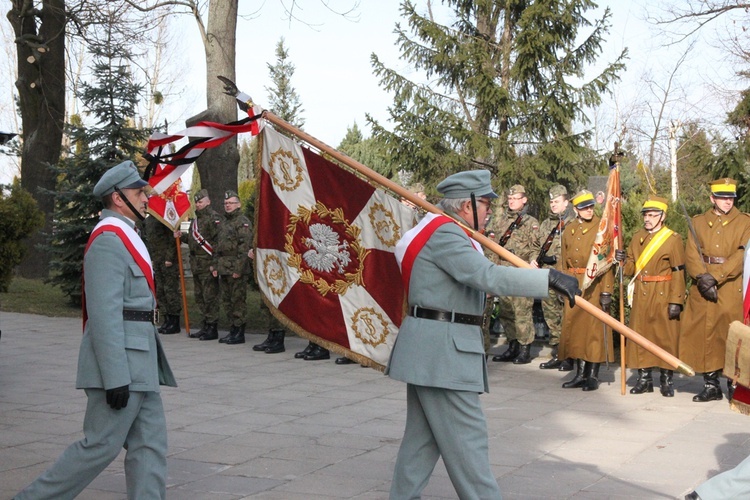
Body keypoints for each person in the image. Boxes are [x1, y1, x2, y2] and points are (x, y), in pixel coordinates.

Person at [386, 169, 581, 499]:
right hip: (443, 353)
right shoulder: (446, 234)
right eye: (487, 203)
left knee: (420, 445)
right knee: (468, 444)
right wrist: (546, 279)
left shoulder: (449, 231)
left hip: (433, 350)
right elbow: (486, 276)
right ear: (466, 206)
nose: (492, 208)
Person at [15, 160, 177, 500]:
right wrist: (114, 375)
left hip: (142, 357)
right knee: (100, 445)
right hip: (122, 365)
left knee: (150, 444)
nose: (146, 198)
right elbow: (103, 314)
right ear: (118, 198)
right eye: (139, 192)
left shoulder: (127, 235)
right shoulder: (108, 239)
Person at [679, 178, 750, 402]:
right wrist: (702, 278)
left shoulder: (744, 221)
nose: (728, 202)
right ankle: (710, 384)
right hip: (703, 287)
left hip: (729, 287)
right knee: (703, 335)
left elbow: (743, 255)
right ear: (712, 198)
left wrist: (715, 277)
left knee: (730, 336)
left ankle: (732, 383)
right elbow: (690, 253)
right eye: (723, 198)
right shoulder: (698, 222)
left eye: (731, 198)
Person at [615, 196, 686, 396]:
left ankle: (666, 380)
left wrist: (676, 300)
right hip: (641, 293)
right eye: (646, 214)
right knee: (640, 336)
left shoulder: (673, 239)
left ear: (662, 216)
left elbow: (679, 271)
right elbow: (631, 268)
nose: (648, 218)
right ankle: (644, 378)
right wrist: (621, 260)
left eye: (652, 215)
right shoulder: (638, 237)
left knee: (666, 337)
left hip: (663, 293)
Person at [558, 189, 615, 391]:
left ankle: (592, 375)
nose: (589, 210)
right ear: (576, 210)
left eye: (591, 206)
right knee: (575, 331)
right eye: (584, 208)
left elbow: (607, 262)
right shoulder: (570, 228)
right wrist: (559, 282)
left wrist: (607, 290)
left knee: (593, 332)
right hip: (573, 282)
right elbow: (562, 259)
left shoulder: (601, 229)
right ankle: (580, 373)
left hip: (593, 285)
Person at [489, 184, 541, 365]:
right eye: (510, 199)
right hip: (503, 271)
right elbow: (493, 245)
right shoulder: (499, 221)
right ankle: (512, 346)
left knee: (522, 311)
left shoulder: (530, 222)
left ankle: (525, 348)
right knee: (506, 311)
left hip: (521, 272)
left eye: (516, 198)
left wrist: (534, 261)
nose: (512, 201)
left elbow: (536, 247)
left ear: (524, 200)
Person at [533, 184, 576, 371]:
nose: (553, 205)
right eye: (551, 202)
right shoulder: (545, 224)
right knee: (551, 318)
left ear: (566, 203)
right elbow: (535, 245)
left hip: (565, 277)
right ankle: (557, 353)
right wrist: (533, 259)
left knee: (568, 318)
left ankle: (570, 355)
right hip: (547, 277)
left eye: (557, 202)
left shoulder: (573, 223)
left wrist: (556, 259)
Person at [178, 189, 222, 340]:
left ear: (208, 202)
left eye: (201, 201)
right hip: (196, 264)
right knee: (200, 296)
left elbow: (218, 243)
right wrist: (181, 237)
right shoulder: (196, 221)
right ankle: (205, 325)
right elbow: (193, 240)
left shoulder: (213, 218)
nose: (198, 204)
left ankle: (212, 327)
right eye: (196, 202)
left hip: (207, 263)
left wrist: (215, 264)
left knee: (210, 296)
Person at [212, 190, 253, 345]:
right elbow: (217, 246)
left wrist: (239, 269)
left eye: (231, 203)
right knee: (227, 300)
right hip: (223, 266)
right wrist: (215, 265)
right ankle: (232, 329)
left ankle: (239, 331)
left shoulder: (242, 221)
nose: (228, 206)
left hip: (236, 266)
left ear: (238, 204)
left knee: (238, 300)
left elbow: (244, 248)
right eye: (226, 203)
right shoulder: (223, 222)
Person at [143, 211, 182, 335]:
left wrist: (170, 257)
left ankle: (175, 321)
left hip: (167, 260)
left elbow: (173, 239)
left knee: (170, 290)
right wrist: (152, 259)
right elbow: (149, 242)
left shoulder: (165, 218)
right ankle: (167, 319)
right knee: (161, 290)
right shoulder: (148, 221)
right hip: (157, 259)